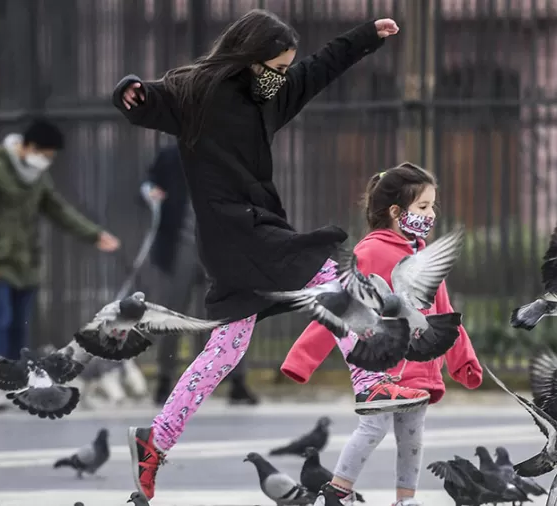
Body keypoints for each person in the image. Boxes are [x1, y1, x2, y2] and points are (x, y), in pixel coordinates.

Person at [112, 9, 414, 500]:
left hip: (248, 233)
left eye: (283, 69)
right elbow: (148, 102)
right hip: (237, 233)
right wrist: (130, 92)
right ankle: (371, 381)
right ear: (250, 58)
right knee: (328, 270)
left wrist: (366, 36)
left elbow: (319, 68)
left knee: (226, 349)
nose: (280, 78)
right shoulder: (197, 94)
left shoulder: (271, 97)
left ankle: (155, 442)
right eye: (274, 67)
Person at [281, 163, 483, 506]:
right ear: (395, 211)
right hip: (384, 369)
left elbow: (445, 316)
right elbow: (339, 307)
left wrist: (463, 361)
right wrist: (302, 359)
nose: (431, 214)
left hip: (419, 369)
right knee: (373, 429)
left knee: (412, 439)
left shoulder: (421, 257)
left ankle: (405, 499)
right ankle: (336, 494)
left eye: (433, 206)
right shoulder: (371, 252)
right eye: (423, 207)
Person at [0, 118, 121, 412]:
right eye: (45, 154)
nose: (46, 161)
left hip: (25, 263)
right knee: (1, 321)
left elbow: (57, 209)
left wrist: (94, 235)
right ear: (28, 147)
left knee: (19, 328)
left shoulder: (36, 177)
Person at [140, 143, 258, 406]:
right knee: (172, 315)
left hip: (219, 249)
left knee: (229, 316)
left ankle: (237, 381)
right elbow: (149, 183)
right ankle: (164, 380)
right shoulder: (171, 155)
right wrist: (150, 192)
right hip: (179, 248)